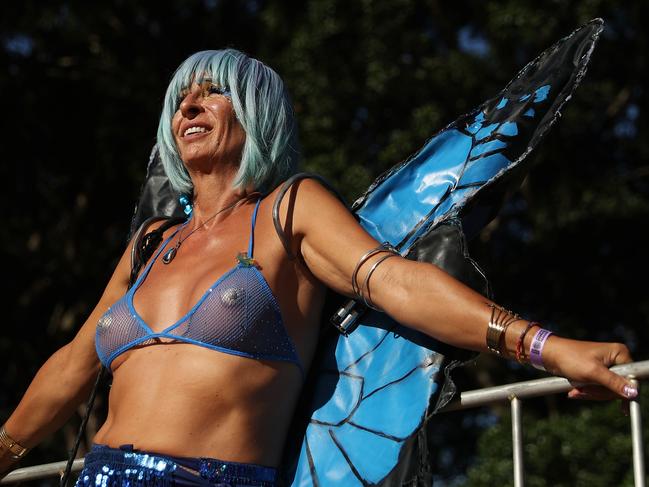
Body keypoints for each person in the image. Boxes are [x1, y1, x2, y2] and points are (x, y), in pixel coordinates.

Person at [0, 48, 636, 487]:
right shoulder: (151, 241)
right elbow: (75, 363)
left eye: (213, 92)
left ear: (260, 113)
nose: (191, 107)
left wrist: (546, 346)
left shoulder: (290, 209)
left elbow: (399, 283)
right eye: (180, 100)